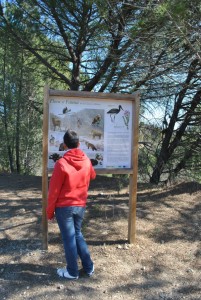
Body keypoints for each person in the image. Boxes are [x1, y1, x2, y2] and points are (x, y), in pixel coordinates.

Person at [46, 129, 96, 280]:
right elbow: (92, 175)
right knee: (77, 235)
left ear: (65, 145)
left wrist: (49, 213)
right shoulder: (86, 160)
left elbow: (53, 192)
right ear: (79, 144)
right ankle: (88, 267)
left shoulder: (61, 164)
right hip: (80, 205)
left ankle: (72, 272)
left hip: (64, 208)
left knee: (69, 239)